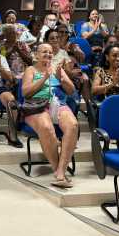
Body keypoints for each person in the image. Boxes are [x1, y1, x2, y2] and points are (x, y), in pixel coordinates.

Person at [21, 43, 79, 188]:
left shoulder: (57, 69)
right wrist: (45, 77)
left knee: (73, 125)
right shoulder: (31, 70)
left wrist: (61, 79)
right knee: (47, 128)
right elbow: (26, 93)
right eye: (44, 52)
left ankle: (61, 172)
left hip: (57, 103)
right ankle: (57, 170)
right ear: (36, 55)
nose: (48, 54)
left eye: (50, 52)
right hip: (36, 106)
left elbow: (71, 91)